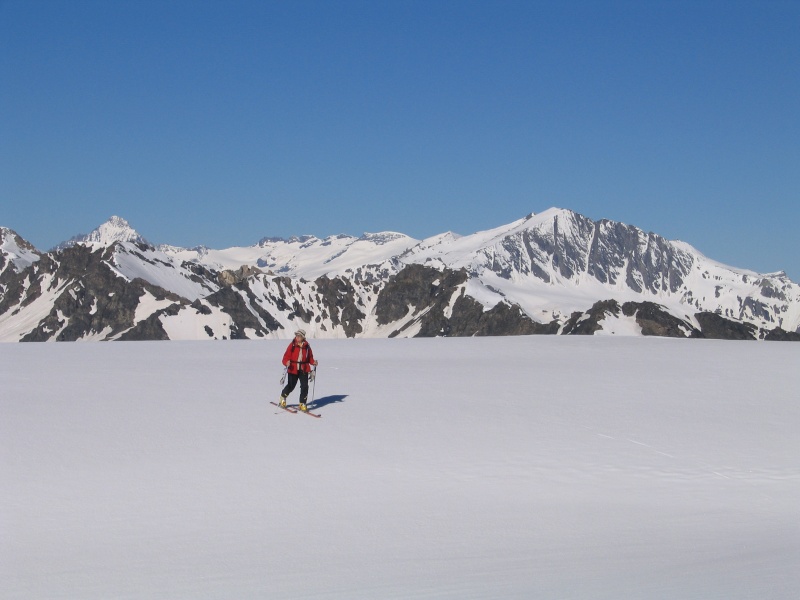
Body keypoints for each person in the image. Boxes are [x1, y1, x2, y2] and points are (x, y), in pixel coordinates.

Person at [279, 329, 318, 412]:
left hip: (304, 368)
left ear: (303, 337)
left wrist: (313, 362)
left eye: (299, 336)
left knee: (304, 386)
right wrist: (286, 362)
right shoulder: (292, 345)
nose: (297, 337)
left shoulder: (307, 347)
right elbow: (285, 357)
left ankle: (302, 403)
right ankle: (283, 397)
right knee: (291, 386)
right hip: (293, 368)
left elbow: (310, 357)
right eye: (296, 335)